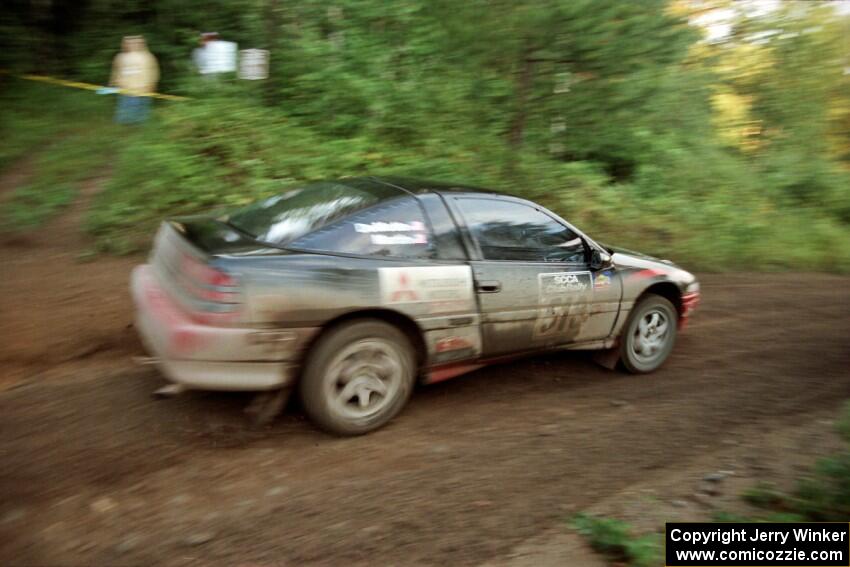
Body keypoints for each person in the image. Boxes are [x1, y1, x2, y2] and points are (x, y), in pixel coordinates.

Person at [109, 36, 159, 124]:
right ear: (125, 45)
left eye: (137, 43)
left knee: (142, 107)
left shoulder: (147, 56)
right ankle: (125, 123)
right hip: (126, 87)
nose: (133, 45)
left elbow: (154, 71)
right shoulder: (120, 56)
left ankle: (139, 124)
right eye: (130, 43)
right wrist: (114, 81)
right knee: (125, 106)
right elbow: (116, 70)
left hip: (143, 87)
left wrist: (152, 83)